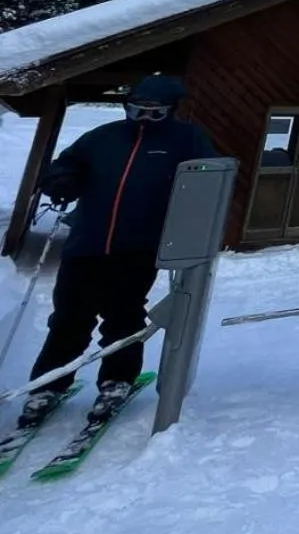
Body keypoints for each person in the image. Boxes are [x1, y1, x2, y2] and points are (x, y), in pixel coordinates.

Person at [16, 74, 215, 429]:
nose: (144, 117)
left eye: (155, 111)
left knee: (123, 316)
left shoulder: (187, 140)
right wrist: (61, 180)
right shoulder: (103, 137)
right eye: (138, 109)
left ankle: (116, 380)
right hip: (86, 243)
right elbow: (66, 163)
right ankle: (47, 385)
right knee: (69, 318)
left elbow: (207, 179)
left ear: (171, 110)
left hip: (138, 247)